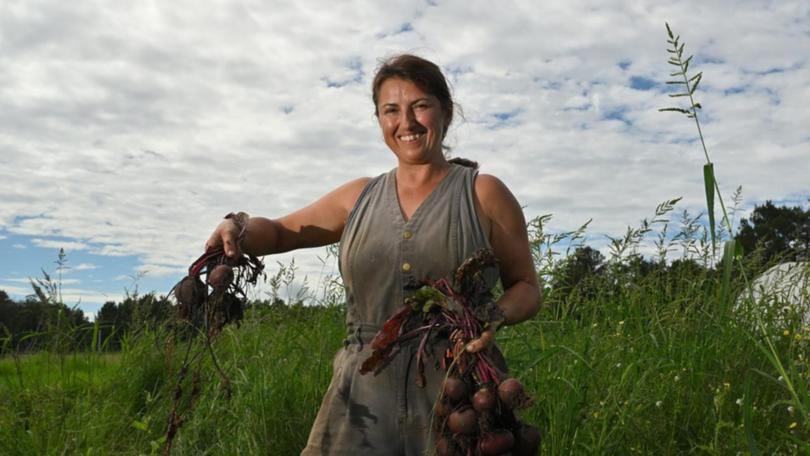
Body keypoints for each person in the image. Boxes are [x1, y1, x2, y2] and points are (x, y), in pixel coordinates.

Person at [205, 54, 540, 455]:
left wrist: (492, 317)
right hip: (360, 399)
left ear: (445, 112)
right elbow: (279, 233)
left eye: (420, 106)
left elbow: (526, 286)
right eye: (391, 111)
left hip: (458, 394)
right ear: (380, 120)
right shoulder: (358, 197)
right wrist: (238, 228)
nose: (407, 123)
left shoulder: (483, 194)